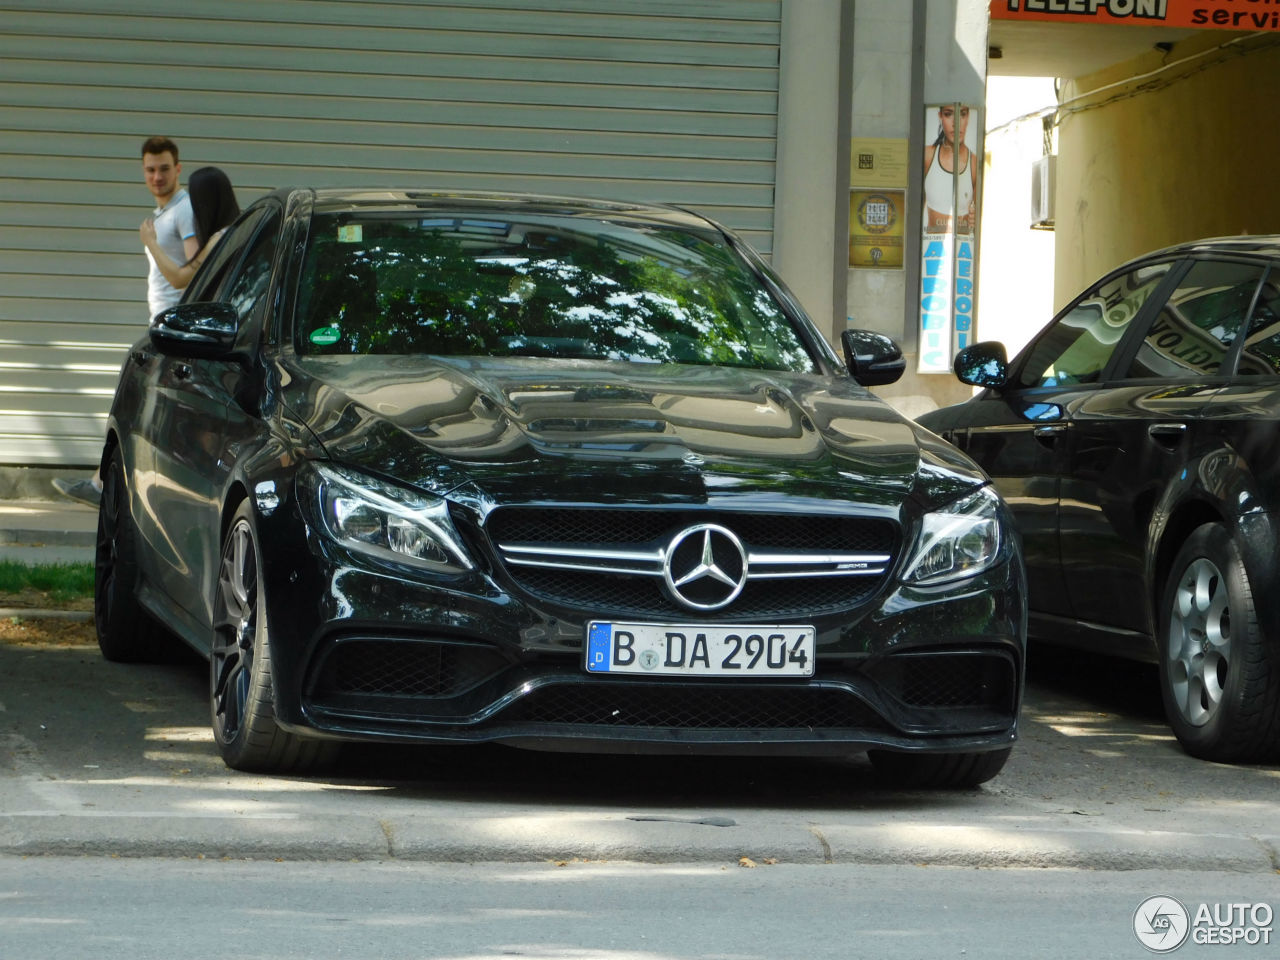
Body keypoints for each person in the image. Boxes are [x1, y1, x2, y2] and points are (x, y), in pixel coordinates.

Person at [53, 136, 203, 508]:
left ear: (178, 168)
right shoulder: (163, 214)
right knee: (148, 409)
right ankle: (114, 486)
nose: (157, 176)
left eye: (164, 168)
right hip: (162, 327)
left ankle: (105, 487)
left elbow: (189, 275)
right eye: (150, 170)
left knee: (135, 401)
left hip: (172, 332)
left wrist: (151, 243)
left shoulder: (183, 210)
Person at [140, 165, 239, 292]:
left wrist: (151, 242)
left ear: (204, 204)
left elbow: (178, 279)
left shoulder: (218, 240)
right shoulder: (236, 229)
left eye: (193, 200)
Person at [923, 104, 979, 235]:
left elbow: (979, 217)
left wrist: (974, 219)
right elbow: (914, 209)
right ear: (940, 116)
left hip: (964, 250)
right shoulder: (928, 156)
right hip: (931, 249)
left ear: (968, 117)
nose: (956, 123)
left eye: (962, 114)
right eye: (949, 114)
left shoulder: (975, 163)